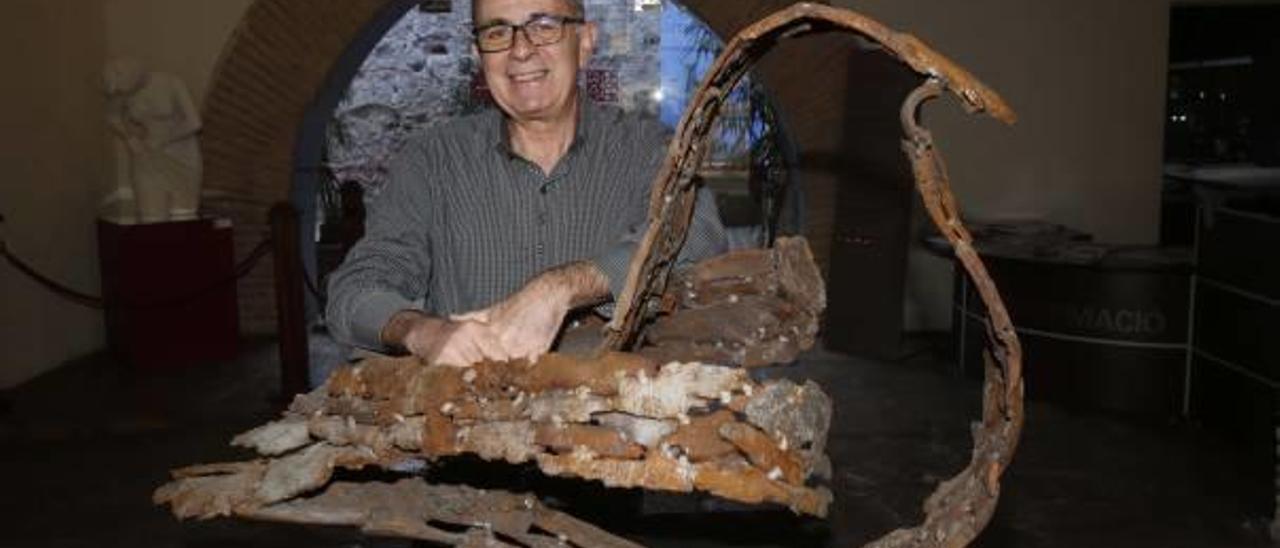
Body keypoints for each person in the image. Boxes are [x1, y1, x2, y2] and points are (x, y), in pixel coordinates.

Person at [325, 0, 727, 367]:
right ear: (478, 55)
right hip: (471, 427)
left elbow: (697, 234)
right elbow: (356, 288)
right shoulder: (432, 161)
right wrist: (420, 330)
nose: (520, 50)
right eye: (497, 32)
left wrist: (564, 286)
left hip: (612, 429)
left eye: (544, 25)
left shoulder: (646, 151)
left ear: (585, 42)